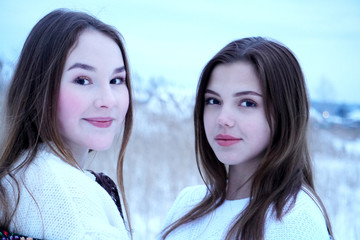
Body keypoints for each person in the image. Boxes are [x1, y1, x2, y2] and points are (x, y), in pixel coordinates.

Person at [159, 37, 334, 240]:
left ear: (284, 112)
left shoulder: (294, 219)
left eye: (247, 103)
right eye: (213, 100)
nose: (223, 119)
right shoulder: (188, 202)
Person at [0, 9, 133, 239]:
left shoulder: (24, 173)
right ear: (39, 88)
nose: (108, 100)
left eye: (116, 80)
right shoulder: (69, 197)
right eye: (82, 80)